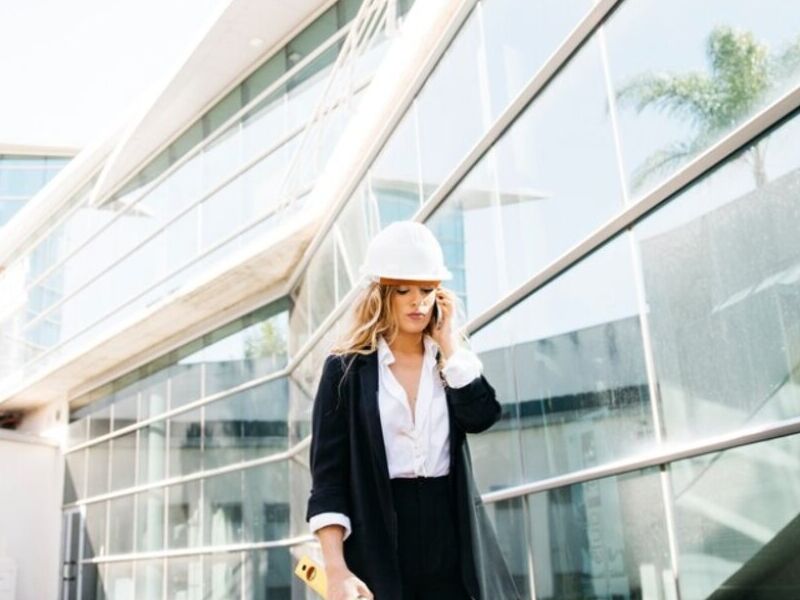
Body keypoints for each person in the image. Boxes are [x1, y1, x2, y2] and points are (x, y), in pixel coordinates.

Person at [305, 221, 515, 600]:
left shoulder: (450, 364)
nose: (417, 301)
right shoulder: (344, 371)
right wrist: (335, 569)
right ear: (382, 294)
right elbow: (328, 481)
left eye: (427, 290)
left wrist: (449, 345)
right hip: (379, 542)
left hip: (452, 543)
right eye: (404, 290)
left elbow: (482, 417)